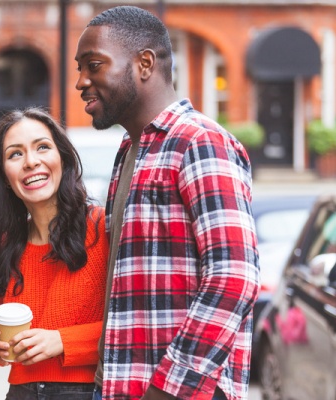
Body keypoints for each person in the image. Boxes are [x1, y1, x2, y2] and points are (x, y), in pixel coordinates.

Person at [74, 6, 259, 400]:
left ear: (144, 64)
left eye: (93, 65)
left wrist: (170, 390)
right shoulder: (129, 150)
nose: (81, 82)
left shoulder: (201, 142)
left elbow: (234, 277)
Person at [0, 108, 109, 400]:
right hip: (20, 392)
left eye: (42, 147)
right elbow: (3, 327)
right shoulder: (4, 242)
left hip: (88, 392)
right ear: (5, 176)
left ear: (63, 159)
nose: (31, 162)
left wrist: (62, 341)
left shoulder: (101, 228)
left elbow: (133, 328)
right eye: (15, 154)